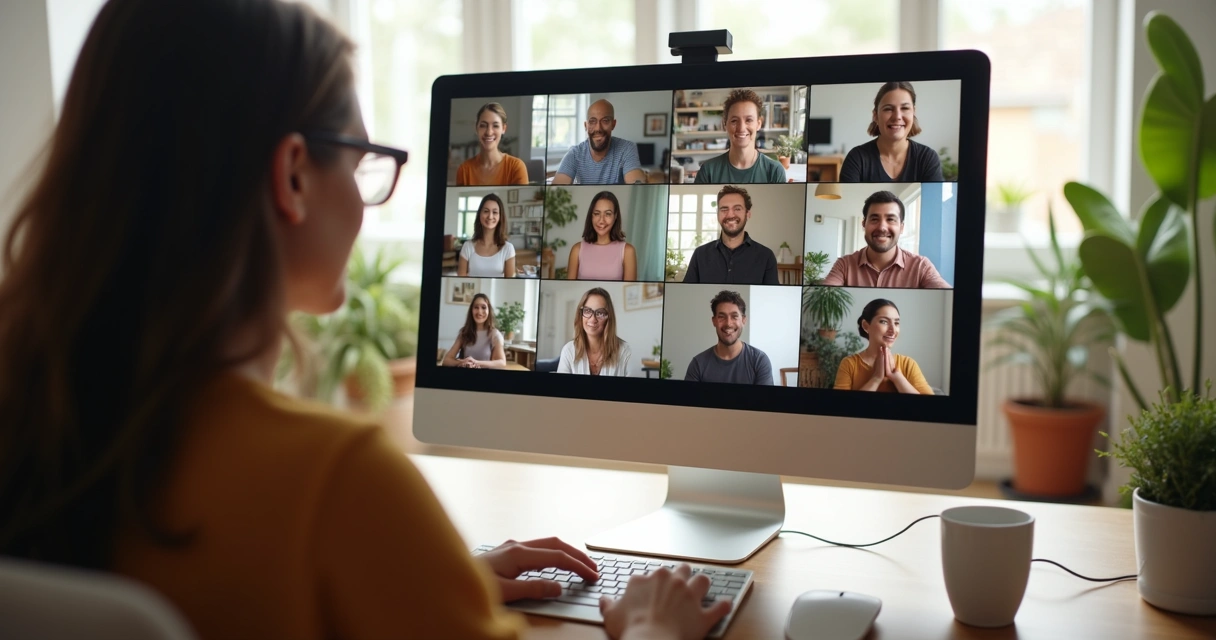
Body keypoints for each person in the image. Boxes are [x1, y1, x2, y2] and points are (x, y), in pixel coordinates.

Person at [0, 1, 729, 639]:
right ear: (291, 178)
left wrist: (419, 576)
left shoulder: (35, 414)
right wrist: (652, 630)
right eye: (362, 161)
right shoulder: (338, 485)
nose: (363, 198)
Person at [821, 190, 949, 288]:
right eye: (874, 219)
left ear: (901, 227)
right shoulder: (844, 265)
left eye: (891, 219)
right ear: (864, 224)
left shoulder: (921, 266)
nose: (882, 227)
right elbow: (823, 299)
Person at [840, 82, 944, 183]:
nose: (897, 116)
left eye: (905, 108)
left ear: (913, 112)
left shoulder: (927, 158)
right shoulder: (857, 158)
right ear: (875, 115)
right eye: (888, 109)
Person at [833, 299, 934, 394]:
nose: (893, 330)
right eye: (884, 322)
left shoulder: (908, 364)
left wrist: (897, 378)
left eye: (896, 323)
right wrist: (876, 379)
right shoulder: (849, 364)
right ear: (865, 325)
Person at [683, 185, 779, 284]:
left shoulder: (766, 256)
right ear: (717, 214)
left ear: (748, 214)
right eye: (724, 209)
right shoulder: (700, 254)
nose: (730, 215)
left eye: (737, 209)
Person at [693, 89, 787, 184]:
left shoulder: (775, 171)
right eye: (734, 121)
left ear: (758, 124)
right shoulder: (708, 171)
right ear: (725, 124)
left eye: (749, 120)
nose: (741, 128)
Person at [685, 291, 773, 385]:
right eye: (722, 317)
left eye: (734, 316)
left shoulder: (759, 361)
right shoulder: (698, 364)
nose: (728, 323)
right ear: (714, 321)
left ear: (743, 320)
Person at [551, 99, 647, 185]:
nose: (598, 128)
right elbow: (557, 192)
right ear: (586, 125)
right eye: (592, 121)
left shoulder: (627, 148)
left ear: (613, 124)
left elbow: (636, 186)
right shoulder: (575, 154)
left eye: (605, 121)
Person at [557, 288, 633, 376]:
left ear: (609, 317)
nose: (593, 319)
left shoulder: (625, 351)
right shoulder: (568, 350)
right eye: (587, 311)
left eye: (600, 313)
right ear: (580, 315)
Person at [567, 191, 637, 281]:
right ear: (591, 216)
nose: (601, 220)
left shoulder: (628, 251)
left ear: (615, 216)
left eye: (607, 214)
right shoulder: (577, 250)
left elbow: (629, 292)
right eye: (597, 214)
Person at [455, 102, 529, 186]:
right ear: (476, 128)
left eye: (495, 126)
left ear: (504, 129)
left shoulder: (516, 167)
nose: (489, 132)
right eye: (483, 125)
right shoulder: (464, 170)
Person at [442, 293, 508, 368]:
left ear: (489, 311)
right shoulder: (464, 332)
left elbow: (502, 363)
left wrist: (476, 362)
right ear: (471, 311)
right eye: (476, 307)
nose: (479, 312)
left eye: (483, 307)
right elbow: (446, 361)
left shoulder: (494, 334)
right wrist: (462, 362)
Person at [458, 193, 516, 278]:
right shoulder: (467, 246)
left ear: (500, 217)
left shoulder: (508, 248)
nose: (490, 216)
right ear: (480, 214)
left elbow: (510, 282)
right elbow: (460, 279)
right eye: (486, 211)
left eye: (495, 212)